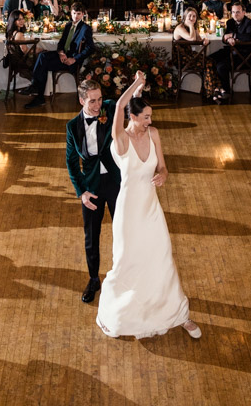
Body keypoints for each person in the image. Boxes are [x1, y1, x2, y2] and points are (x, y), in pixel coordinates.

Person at [96, 70, 201, 340]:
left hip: (151, 210)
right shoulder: (120, 141)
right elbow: (119, 105)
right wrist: (136, 83)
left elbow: (163, 167)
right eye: (145, 117)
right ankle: (124, 315)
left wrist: (163, 175)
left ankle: (179, 314)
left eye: (150, 116)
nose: (150, 121)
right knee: (127, 263)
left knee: (162, 258)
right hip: (128, 213)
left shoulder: (154, 134)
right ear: (132, 117)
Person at [66, 78, 121, 304]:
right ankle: (93, 279)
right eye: (92, 101)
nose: (98, 105)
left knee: (123, 233)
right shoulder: (72, 126)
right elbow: (70, 162)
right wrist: (81, 192)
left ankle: (123, 277)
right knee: (91, 238)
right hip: (91, 187)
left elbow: (125, 102)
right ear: (81, 100)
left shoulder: (108, 107)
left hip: (116, 183)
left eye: (99, 99)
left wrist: (137, 87)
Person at [25, 3, 94, 108]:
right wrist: (61, 53)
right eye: (74, 13)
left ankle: (38, 93)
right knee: (42, 56)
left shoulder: (85, 28)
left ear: (83, 14)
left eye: (78, 14)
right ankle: (37, 90)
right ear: (71, 13)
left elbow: (90, 48)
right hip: (64, 56)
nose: (76, 16)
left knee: (43, 64)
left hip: (71, 60)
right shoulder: (68, 25)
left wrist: (74, 59)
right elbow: (61, 43)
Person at [215, 2, 251, 100]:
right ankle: (216, 89)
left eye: (238, 12)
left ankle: (226, 91)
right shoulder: (230, 22)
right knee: (211, 58)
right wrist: (228, 39)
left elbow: (250, 36)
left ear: (244, 12)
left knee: (221, 67)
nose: (235, 14)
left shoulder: (250, 23)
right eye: (233, 12)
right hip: (231, 52)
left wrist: (233, 36)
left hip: (244, 57)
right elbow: (224, 37)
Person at [173, 6, 213, 99]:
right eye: (189, 16)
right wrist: (191, 25)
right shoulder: (180, 27)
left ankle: (215, 90)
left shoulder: (192, 28)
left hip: (190, 56)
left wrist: (204, 40)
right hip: (182, 58)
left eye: (194, 16)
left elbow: (198, 40)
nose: (192, 18)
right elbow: (192, 39)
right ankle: (210, 92)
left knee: (211, 60)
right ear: (184, 17)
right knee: (208, 63)